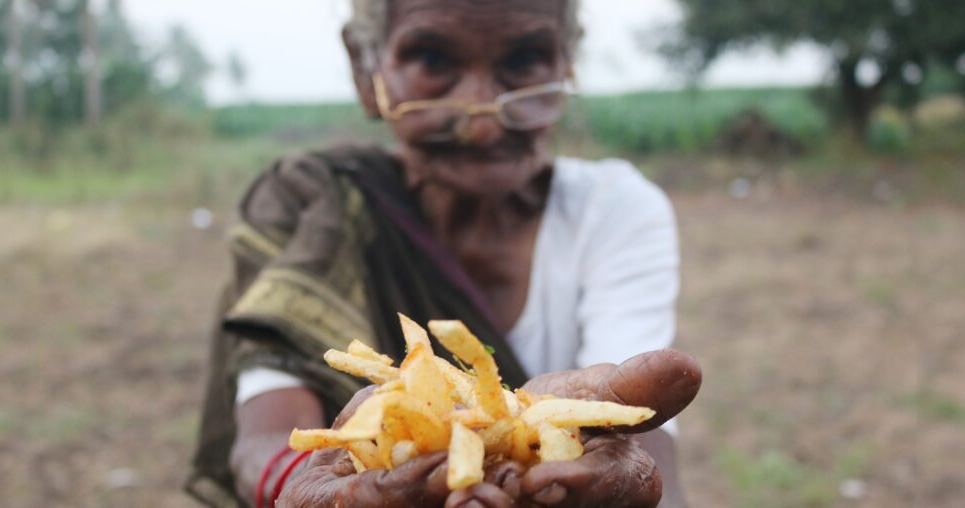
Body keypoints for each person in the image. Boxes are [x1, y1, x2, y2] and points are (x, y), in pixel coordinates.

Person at [186, 0, 703, 506]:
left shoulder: (612, 209)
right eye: (433, 60)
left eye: (524, 60)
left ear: (566, 63)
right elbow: (263, 442)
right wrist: (337, 488)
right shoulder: (310, 204)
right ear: (366, 71)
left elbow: (651, 466)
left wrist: (621, 481)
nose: (483, 123)